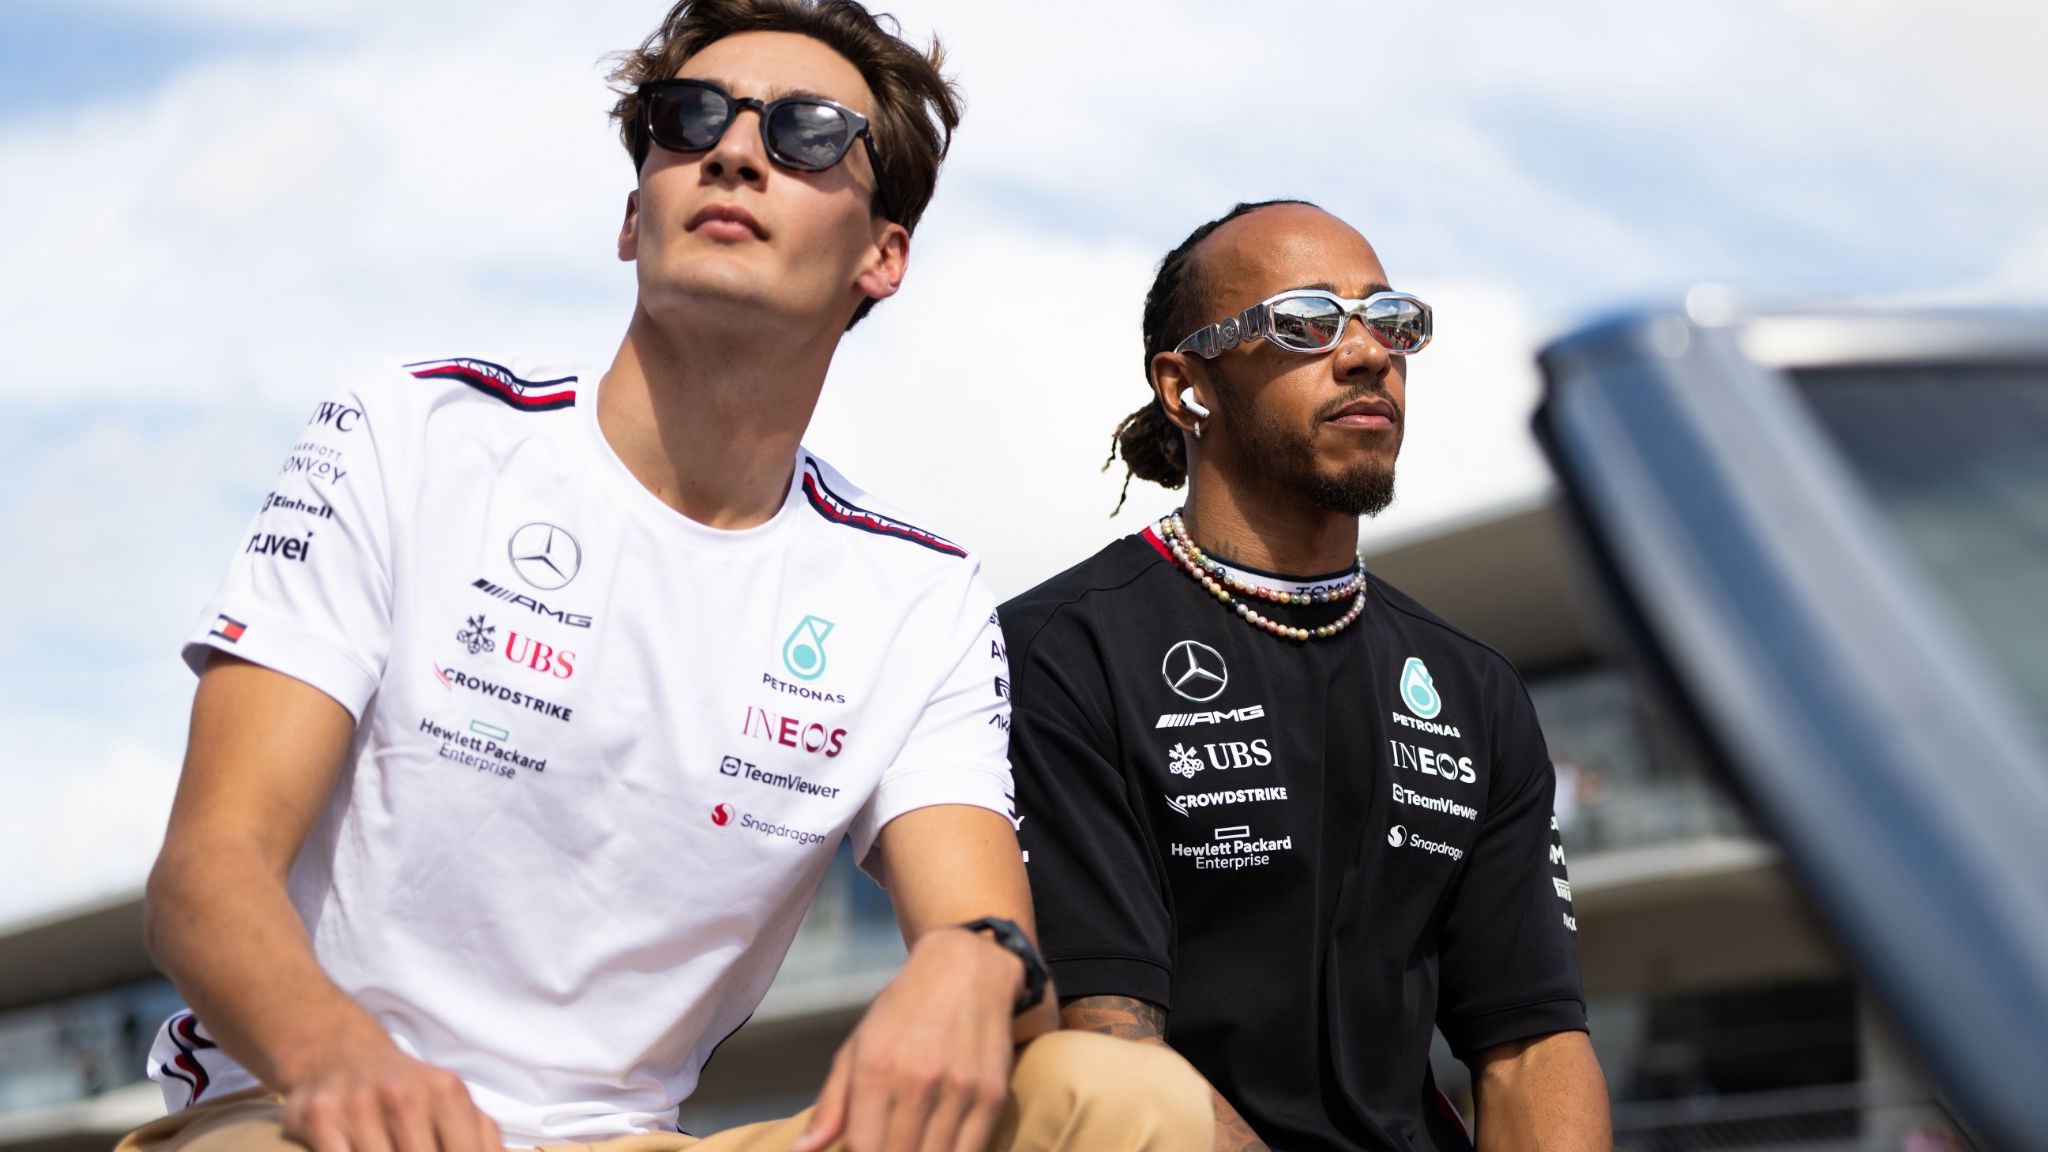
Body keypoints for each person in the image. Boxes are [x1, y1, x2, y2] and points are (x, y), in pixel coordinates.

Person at [121, 4, 1211, 1152]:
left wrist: (973, 961)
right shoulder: (413, 434)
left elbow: (992, 951)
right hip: (300, 1108)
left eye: (805, 133)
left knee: (1118, 1097)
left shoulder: (917, 597)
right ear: (633, 215)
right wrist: (339, 1061)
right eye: (687, 120)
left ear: (882, 256)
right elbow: (205, 874)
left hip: (623, 1138)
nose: (733, 151)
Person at [1001, 199, 1611, 1152]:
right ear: (1187, 386)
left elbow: (1532, 1047)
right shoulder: (1057, 651)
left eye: (1391, 320)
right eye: (1306, 322)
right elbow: (1107, 1053)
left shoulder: (1474, 689)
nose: (1367, 353)